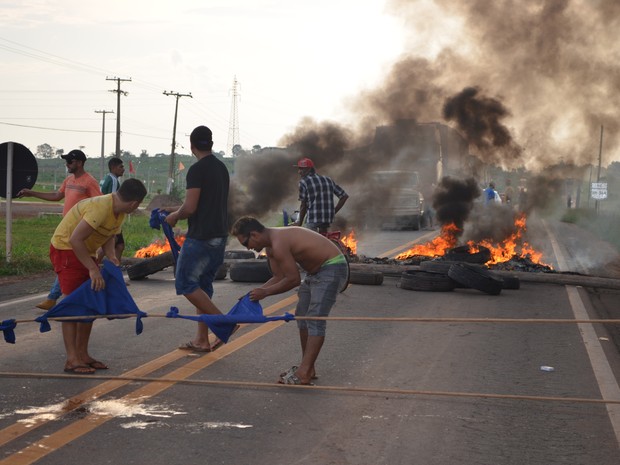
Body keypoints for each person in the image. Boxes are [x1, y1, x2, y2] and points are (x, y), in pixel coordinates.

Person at [231, 216, 348, 385]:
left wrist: (265, 293)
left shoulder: (278, 244)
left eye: (245, 243)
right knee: (302, 317)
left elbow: (292, 279)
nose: (248, 248)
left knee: (314, 319)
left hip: (332, 267)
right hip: (315, 273)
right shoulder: (270, 247)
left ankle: (304, 372)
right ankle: (307, 367)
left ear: (254, 235)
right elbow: (279, 276)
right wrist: (254, 293)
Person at [49, 178, 147, 374]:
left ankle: (83, 354)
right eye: (137, 206)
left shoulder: (118, 212)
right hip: (66, 248)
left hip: (84, 250)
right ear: (134, 204)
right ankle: (72, 359)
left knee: (91, 300)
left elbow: (109, 235)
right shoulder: (100, 207)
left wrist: (110, 255)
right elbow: (75, 239)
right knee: (73, 302)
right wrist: (93, 269)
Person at [164, 125, 230, 353]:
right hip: (220, 236)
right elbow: (204, 203)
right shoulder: (221, 168)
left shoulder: (197, 170)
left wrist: (174, 216)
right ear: (211, 143)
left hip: (201, 237)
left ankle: (225, 323)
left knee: (184, 282)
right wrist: (173, 209)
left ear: (192, 146)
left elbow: (190, 207)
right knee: (203, 287)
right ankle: (202, 340)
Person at [17, 149, 102, 310]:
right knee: (69, 262)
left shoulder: (89, 182)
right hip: (66, 228)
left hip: (80, 231)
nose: (67, 164)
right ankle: (66, 295)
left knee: (69, 262)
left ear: (79, 163)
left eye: (70, 162)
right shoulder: (69, 180)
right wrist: (31, 193)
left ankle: (54, 297)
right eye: (67, 161)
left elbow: (98, 204)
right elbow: (56, 196)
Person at [291, 157, 348, 234]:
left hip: (313, 218)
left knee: (311, 241)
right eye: (299, 169)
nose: (299, 172)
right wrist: (333, 212)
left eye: (301, 169)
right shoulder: (328, 179)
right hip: (328, 219)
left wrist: (299, 222)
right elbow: (344, 196)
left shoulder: (303, 182)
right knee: (323, 239)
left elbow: (303, 205)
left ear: (309, 169)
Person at [100, 157, 126, 261]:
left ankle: (114, 269)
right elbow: (112, 201)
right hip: (110, 218)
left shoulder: (107, 178)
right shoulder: (114, 181)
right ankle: (91, 265)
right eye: (121, 167)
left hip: (105, 216)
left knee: (119, 246)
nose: (123, 169)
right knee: (111, 245)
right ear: (113, 168)